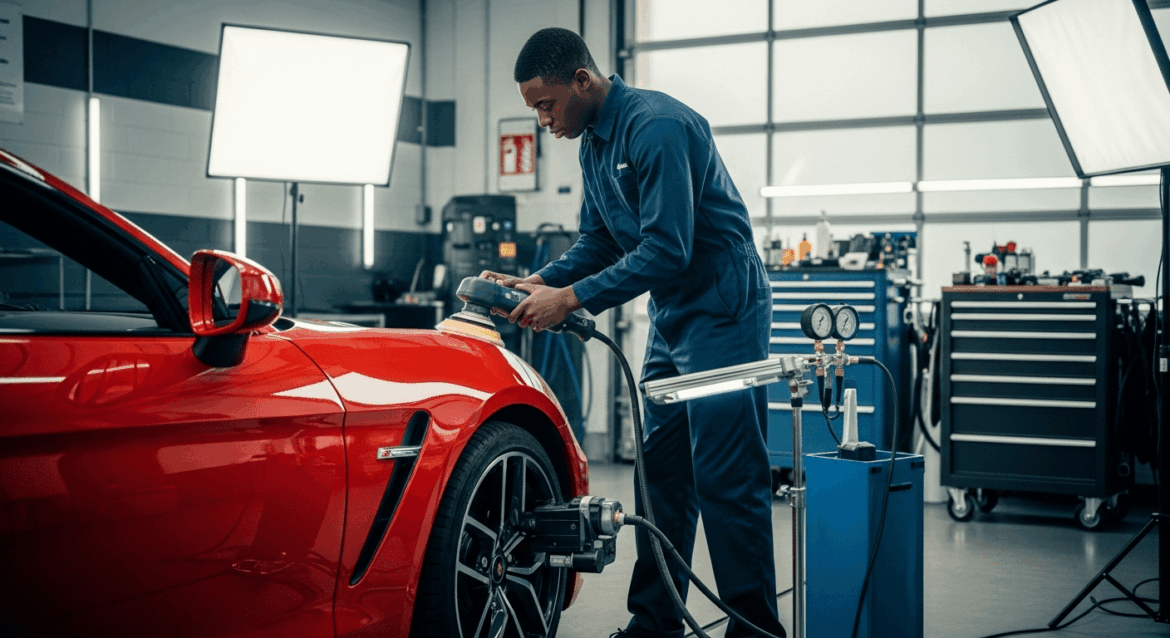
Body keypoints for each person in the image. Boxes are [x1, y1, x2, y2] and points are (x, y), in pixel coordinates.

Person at [481, 27, 785, 638]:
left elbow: (667, 248)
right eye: (534, 109)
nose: (543, 121)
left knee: (728, 478)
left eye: (547, 104)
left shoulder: (657, 127)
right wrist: (537, 281)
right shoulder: (593, 141)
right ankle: (655, 625)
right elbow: (599, 240)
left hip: (722, 307)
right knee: (660, 476)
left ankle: (755, 632)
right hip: (673, 316)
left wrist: (566, 300)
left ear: (583, 81)